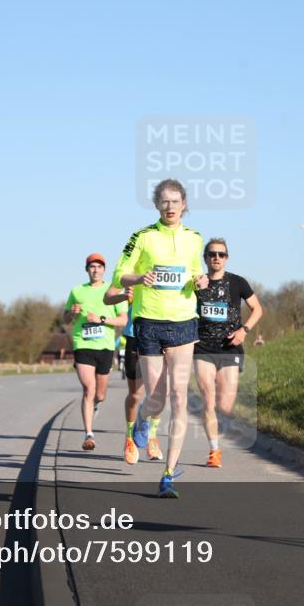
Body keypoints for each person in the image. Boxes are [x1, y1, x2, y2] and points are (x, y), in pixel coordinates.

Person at [114, 179, 208, 497]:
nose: (170, 206)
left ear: (184, 205)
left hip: (183, 323)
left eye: (176, 201)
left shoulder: (195, 238)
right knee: (156, 398)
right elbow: (118, 275)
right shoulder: (142, 237)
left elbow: (196, 273)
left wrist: (201, 281)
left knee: (179, 398)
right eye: (164, 201)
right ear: (157, 205)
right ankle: (143, 420)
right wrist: (139, 277)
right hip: (149, 322)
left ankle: (168, 474)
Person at [194, 238, 263, 468]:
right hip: (202, 347)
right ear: (205, 258)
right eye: (212, 254)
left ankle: (216, 430)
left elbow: (258, 309)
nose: (216, 257)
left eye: (221, 254)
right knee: (208, 400)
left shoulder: (238, 282)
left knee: (224, 406)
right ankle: (214, 450)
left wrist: (245, 330)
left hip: (230, 347)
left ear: (226, 258)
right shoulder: (196, 283)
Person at [64, 253, 128, 451]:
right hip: (82, 343)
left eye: (99, 267)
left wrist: (100, 320)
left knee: (100, 394)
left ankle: (96, 405)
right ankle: (89, 434)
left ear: (104, 270)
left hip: (105, 346)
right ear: (87, 270)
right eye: (92, 266)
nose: (95, 270)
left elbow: (123, 320)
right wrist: (71, 313)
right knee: (88, 389)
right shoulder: (76, 291)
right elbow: (66, 319)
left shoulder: (113, 291)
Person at [104, 283, 167, 465]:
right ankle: (130, 437)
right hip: (134, 335)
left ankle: (152, 437)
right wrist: (124, 295)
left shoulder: (166, 269)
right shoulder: (131, 274)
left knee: (158, 393)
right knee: (136, 395)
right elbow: (107, 298)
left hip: (160, 335)